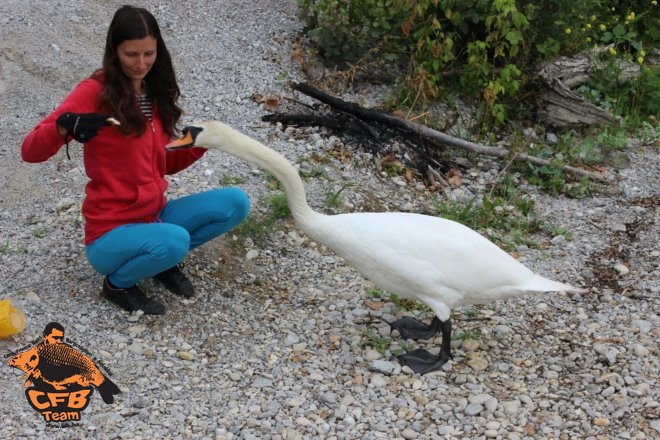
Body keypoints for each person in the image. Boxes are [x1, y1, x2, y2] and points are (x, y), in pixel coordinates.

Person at [21, 5, 250, 315]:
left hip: (154, 216)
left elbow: (162, 165)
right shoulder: (94, 92)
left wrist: (203, 142)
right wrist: (65, 124)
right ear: (115, 51)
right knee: (175, 240)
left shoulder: (153, 93)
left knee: (235, 202)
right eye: (131, 55)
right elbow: (29, 151)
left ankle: (158, 261)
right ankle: (118, 284)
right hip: (109, 234)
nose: (141, 63)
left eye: (148, 53)